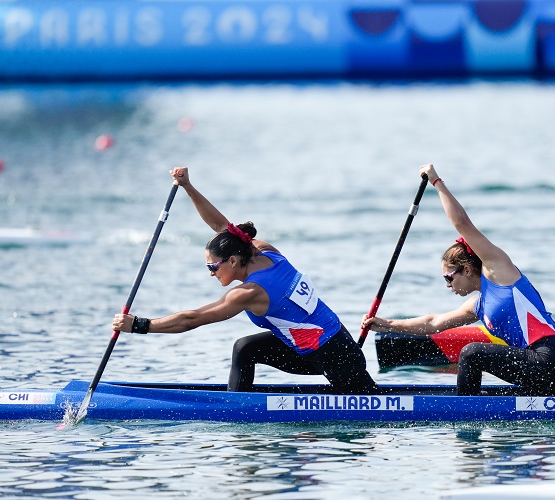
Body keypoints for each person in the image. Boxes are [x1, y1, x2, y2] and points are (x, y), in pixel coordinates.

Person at [113, 167, 378, 394]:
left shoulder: (249, 292)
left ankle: (236, 410)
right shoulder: (264, 252)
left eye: (212, 266)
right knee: (245, 348)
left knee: (371, 403)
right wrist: (187, 186)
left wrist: (139, 325)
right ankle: (237, 404)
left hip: (334, 356)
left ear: (232, 261)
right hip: (328, 345)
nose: (210, 273)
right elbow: (222, 228)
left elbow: (192, 318)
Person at [361, 164, 555, 397]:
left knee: (471, 353)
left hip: (551, 355)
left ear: (467, 270)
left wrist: (437, 182)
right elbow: (433, 323)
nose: (448, 285)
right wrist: (386, 324)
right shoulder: (477, 305)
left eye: (449, 277)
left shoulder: (498, 272)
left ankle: (465, 412)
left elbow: (462, 224)